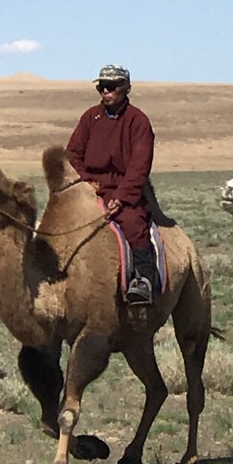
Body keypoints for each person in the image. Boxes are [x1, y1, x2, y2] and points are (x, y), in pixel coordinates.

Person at [66, 64, 158, 305]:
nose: (105, 92)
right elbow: (73, 152)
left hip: (124, 187)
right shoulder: (90, 118)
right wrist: (86, 180)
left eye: (110, 87)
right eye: (101, 87)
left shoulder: (138, 121)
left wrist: (123, 196)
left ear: (126, 88)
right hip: (91, 187)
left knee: (132, 221)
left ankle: (145, 279)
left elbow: (140, 165)